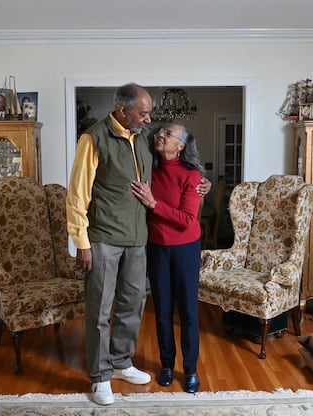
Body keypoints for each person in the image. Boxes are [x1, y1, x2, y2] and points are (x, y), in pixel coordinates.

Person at [66, 83, 210, 405]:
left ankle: (121, 362)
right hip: (103, 237)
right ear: (123, 110)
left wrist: (202, 181)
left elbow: (181, 155)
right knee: (100, 310)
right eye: (143, 114)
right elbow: (77, 196)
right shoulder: (93, 138)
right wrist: (82, 242)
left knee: (133, 304)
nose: (150, 121)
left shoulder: (145, 137)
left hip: (139, 240)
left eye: (150, 115)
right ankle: (100, 376)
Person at [131, 122, 204, 393]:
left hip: (186, 247)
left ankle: (191, 370)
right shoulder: (150, 168)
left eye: (168, 134)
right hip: (156, 247)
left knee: (187, 312)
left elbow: (186, 219)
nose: (160, 135)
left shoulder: (192, 175)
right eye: (161, 132)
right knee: (162, 311)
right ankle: (165, 364)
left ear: (181, 145)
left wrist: (153, 204)